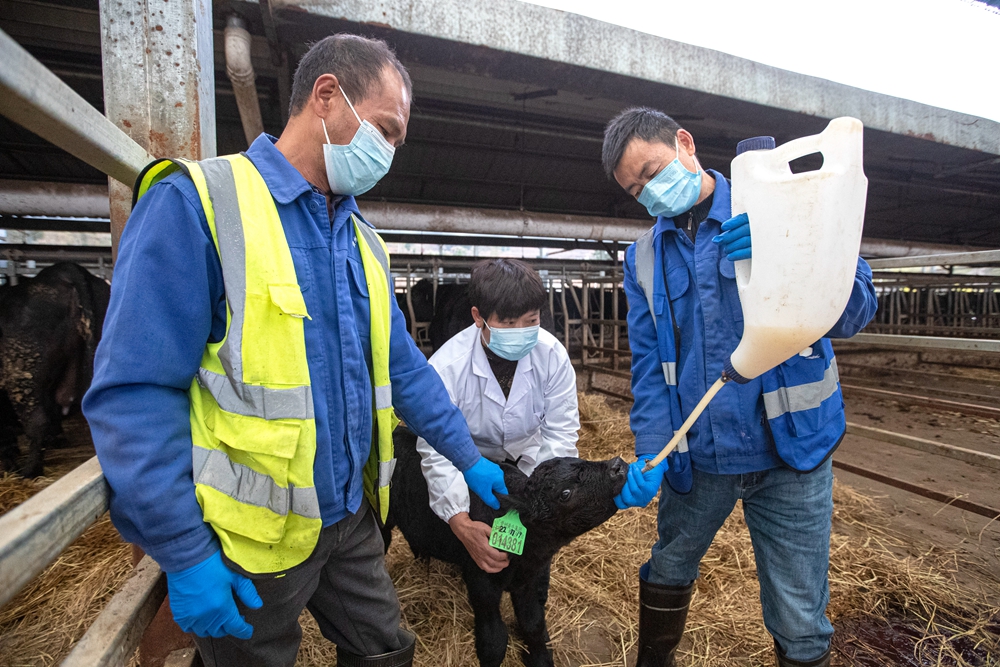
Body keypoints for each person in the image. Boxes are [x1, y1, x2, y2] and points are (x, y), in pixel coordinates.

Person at [82, 34, 509, 667]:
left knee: (386, 650)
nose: (389, 153)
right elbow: (135, 392)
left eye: (397, 141)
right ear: (328, 96)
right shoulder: (199, 203)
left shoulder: (362, 239)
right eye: (385, 131)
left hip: (349, 518)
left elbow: (402, 367)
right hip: (252, 543)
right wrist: (185, 553)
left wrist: (466, 455)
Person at [601, 108, 877, 667]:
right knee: (669, 566)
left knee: (800, 614)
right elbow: (650, 367)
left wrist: (788, 249)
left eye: (653, 171)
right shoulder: (644, 258)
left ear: (685, 143)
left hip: (791, 452)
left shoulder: (782, 197)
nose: (650, 192)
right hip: (699, 457)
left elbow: (855, 312)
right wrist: (653, 447)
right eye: (636, 190)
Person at [416, 258, 580, 574]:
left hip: (530, 458)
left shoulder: (553, 356)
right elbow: (435, 448)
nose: (521, 332)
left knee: (531, 560)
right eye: (507, 323)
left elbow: (560, 434)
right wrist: (459, 520)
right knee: (478, 551)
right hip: (468, 461)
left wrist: (538, 499)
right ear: (478, 317)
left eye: (531, 321)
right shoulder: (447, 366)